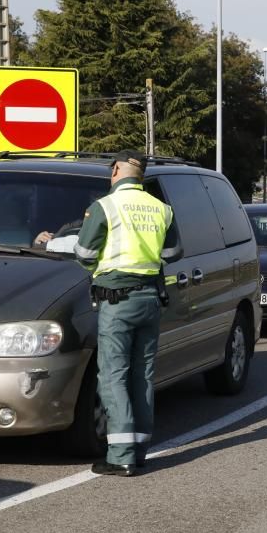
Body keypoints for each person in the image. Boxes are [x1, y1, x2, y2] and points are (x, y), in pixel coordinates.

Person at [74, 149, 181, 477]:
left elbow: (84, 253)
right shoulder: (162, 209)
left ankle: (120, 455)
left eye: (112, 170)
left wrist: (100, 267)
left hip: (117, 301)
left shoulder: (105, 206)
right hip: (150, 300)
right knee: (142, 375)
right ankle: (139, 450)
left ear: (118, 169)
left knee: (113, 375)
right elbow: (173, 252)